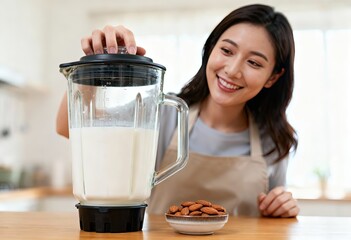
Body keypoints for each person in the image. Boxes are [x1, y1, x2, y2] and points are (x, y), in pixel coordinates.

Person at [57, 4, 299, 217]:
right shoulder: (163, 114)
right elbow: (66, 127)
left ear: (273, 77)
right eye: (226, 51)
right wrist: (93, 65)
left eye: (254, 63)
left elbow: (273, 210)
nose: (233, 70)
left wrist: (282, 207)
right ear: (210, 49)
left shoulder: (275, 141)